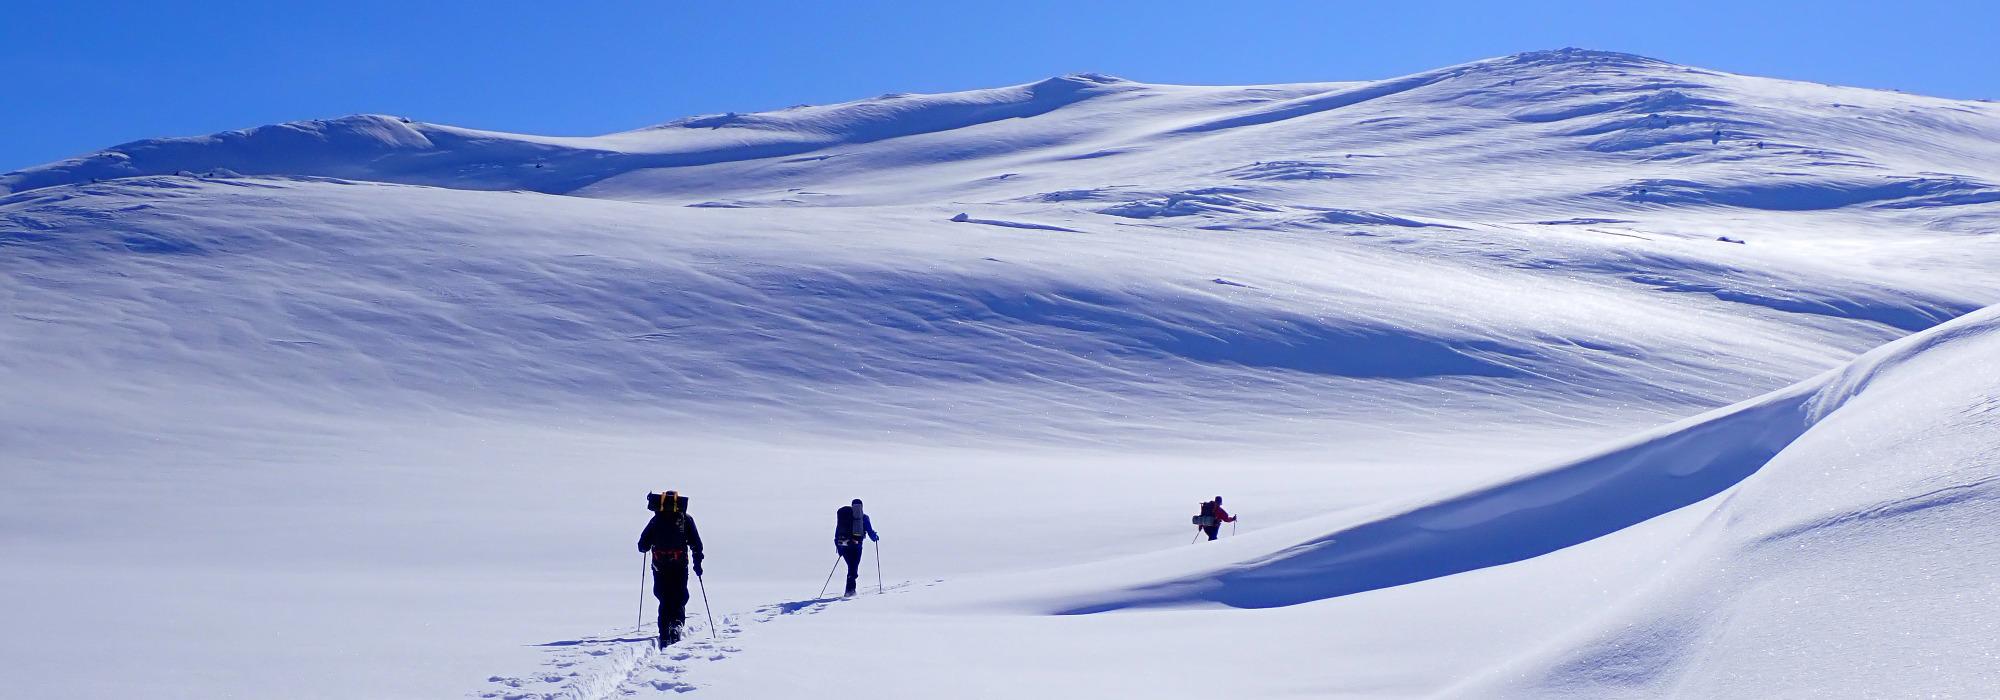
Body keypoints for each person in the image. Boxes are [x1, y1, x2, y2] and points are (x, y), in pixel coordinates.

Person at [638, 491, 705, 647]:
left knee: (664, 596)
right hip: (680, 564)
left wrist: (647, 547)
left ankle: (664, 630)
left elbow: (642, 545)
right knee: (679, 596)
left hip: (660, 566)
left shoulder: (656, 520)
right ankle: (676, 624)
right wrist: (698, 564)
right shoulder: (685, 519)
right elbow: (696, 544)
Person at [833, 499, 879, 597]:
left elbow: (837, 534)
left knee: (851, 567)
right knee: (853, 568)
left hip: (844, 545)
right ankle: (850, 592)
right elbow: (870, 533)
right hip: (856, 546)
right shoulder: (864, 518)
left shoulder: (844, 518)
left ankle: (850, 591)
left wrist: (839, 547)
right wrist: (875, 537)